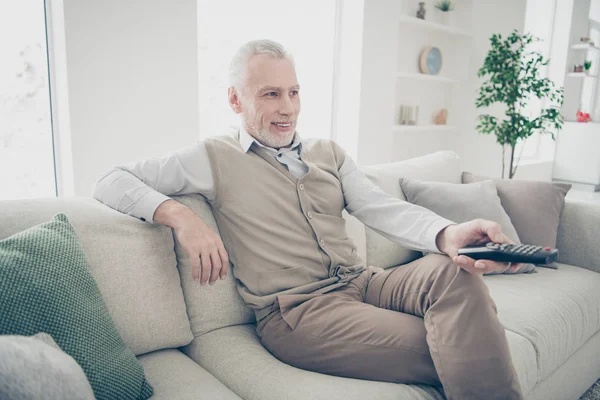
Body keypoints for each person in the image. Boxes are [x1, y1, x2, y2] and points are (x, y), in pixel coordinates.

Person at [93, 39, 524, 399]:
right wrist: (179, 215)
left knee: (457, 272)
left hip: (364, 281)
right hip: (300, 312)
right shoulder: (212, 158)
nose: (287, 108)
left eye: (293, 92)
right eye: (270, 94)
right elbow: (112, 179)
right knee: (458, 343)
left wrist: (447, 233)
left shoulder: (328, 153)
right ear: (234, 99)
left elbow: (378, 206)